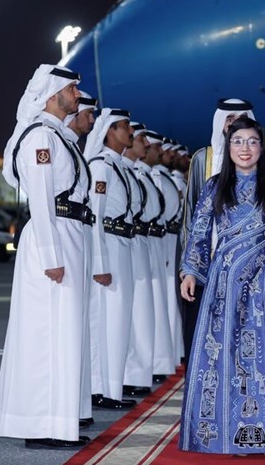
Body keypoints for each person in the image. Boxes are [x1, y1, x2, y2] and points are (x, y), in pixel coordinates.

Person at [178, 116, 265, 455]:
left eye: (252, 142)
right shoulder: (214, 185)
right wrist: (190, 273)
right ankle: (225, 433)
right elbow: (198, 234)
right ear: (228, 147)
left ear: (262, 147)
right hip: (223, 284)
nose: (245, 148)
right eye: (238, 141)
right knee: (223, 357)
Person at [0, 64, 91, 449]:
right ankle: (42, 425)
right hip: (51, 237)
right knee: (49, 334)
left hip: (68, 234)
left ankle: (59, 419)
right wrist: (51, 253)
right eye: (72, 90)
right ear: (53, 94)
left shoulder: (58, 137)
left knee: (64, 334)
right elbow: (43, 201)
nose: (78, 96)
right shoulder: (40, 139)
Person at [181, 99, 255, 359]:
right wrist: (188, 267)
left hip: (254, 268)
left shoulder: (264, 157)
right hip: (210, 265)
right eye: (228, 118)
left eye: (240, 117)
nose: (233, 124)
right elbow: (192, 216)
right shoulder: (204, 158)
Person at [84, 108, 138, 410]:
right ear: (108, 131)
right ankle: (98, 388)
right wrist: (100, 263)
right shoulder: (101, 167)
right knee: (106, 322)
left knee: (120, 322)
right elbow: (95, 217)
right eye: (124, 127)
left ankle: (112, 387)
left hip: (123, 244)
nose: (129, 132)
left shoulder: (119, 167)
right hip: (109, 246)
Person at [62, 91, 98, 428]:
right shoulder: (48, 139)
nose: (92, 119)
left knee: (77, 329)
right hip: (63, 236)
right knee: (65, 329)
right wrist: (50, 253)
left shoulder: (70, 145)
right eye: (89, 112)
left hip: (77, 234)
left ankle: (74, 410)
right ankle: (60, 416)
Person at [121, 127, 157, 397]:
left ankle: (136, 374)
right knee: (123, 318)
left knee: (142, 314)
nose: (142, 143)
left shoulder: (133, 172)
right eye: (139, 137)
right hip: (120, 243)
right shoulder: (105, 167)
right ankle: (114, 383)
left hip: (139, 241)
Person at [139, 131, 175, 381]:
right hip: (133, 240)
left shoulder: (147, 175)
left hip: (153, 240)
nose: (161, 153)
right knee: (142, 308)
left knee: (157, 305)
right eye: (153, 146)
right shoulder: (105, 168)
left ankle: (157, 362)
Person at [153, 136, 184, 369]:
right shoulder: (157, 178)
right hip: (158, 239)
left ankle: (173, 352)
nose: (175, 157)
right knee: (162, 297)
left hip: (171, 239)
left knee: (170, 300)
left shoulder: (168, 178)